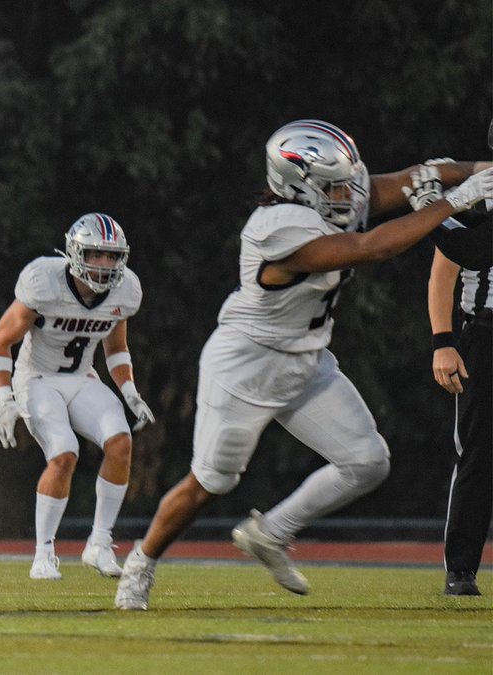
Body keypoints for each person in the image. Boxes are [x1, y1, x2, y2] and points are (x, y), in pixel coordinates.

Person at [112, 119, 493, 611]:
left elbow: (419, 174)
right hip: (245, 365)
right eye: (335, 184)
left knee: (367, 461)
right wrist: (456, 201)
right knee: (210, 483)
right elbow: (370, 247)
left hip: (307, 359)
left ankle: (270, 533)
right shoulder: (277, 228)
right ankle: (141, 564)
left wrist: (478, 171)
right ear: (296, 185)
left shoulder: (335, 195)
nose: (349, 193)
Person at [0, 213, 155, 580]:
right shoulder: (44, 281)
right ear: (77, 253)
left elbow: (117, 347)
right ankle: (43, 553)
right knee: (65, 453)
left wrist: (129, 391)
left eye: (112, 256)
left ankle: (98, 543)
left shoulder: (125, 290)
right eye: (97, 255)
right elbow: (1, 340)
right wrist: (5, 401)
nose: (106, 264)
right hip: (38, 379)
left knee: (121, 441)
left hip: (82, 378)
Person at [419, 147, 492, 596]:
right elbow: (443, 272)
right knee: (479, 454)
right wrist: (442, 343)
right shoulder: (479, 193)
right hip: (486, 332)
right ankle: (461, 568)